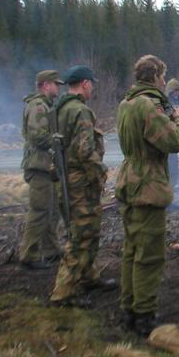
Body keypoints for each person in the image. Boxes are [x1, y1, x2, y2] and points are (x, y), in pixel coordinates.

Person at [116, 55, 179, 336]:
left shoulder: (126, 103)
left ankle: (129, 309)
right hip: (147, 186)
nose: (164, 81)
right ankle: (144, 316)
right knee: (149, 255)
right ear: (156, 75)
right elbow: (175, 141)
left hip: (128, 181)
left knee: (131, 251)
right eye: (163, 76)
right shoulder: (148, 105)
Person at [50, 66, 112, 307]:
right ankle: (63, 293)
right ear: (85, 83)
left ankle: (88, 276)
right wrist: (100, 173)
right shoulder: (80, 111)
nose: (93, 88)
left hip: (65, 180)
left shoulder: (58, 109)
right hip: (81, 183)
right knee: (81, 235)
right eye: (92, 84)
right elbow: (85, 150)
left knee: (86, 230)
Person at [19, 70, 64, 269]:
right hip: (39, 166)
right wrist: (58, 141)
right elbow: (38, 136)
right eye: (56, 84)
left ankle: (51, 250)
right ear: (46, 85)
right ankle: (29, 255)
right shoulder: (37, 106)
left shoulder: (46, 106)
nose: (58, 87)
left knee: (52, 210)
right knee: (39, 211)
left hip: (47, 167)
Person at [166, 78, 179, 186]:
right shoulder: (166, 104)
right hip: (167, 138)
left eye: (178, 91)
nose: (176, 93)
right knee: (170, 165)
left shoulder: (178, 103)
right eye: (174, 91)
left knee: (174, 165)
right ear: (170, 93)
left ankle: (172, 188)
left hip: (175, 137)